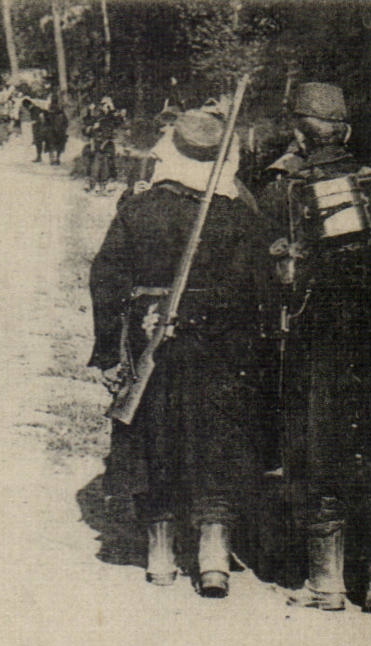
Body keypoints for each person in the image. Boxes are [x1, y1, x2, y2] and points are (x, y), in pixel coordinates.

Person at [261, 83, 371, 611]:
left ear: (299, 134)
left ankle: (327, 581)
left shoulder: (283, 191)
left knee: (318, 447)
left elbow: (259, 275)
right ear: (345, 132)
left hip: (317, 339)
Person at [88, 109, 277, 597]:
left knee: (155, 436)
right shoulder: (238, 215)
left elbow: (106, 279)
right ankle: (214, 555)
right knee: (218, 437)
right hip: (223, 344)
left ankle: (161, 554)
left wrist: (108, 351)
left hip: (152, 338)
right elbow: (261, 288)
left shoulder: (139, 209)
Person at [85, 96, 123, 192]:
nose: (105, 107)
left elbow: (119, 122)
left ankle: (106, 184)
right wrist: (90, 113)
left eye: (107, 105)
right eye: (103, 104)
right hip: (97, 141)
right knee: (94, 162)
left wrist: (113, 109)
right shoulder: (97, 115)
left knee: (109, 163)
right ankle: (92, 183)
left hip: (108, 143)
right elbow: (87, 125)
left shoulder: (112, 116)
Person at [40, 96, 69, 166]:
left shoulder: (49, 112)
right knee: (59, 145)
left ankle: (52, 159)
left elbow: (45, 122)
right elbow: (66, 122)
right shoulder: (61, 112)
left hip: (51, 131)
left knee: (51, 145)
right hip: (60, 131)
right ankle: (57, 159)